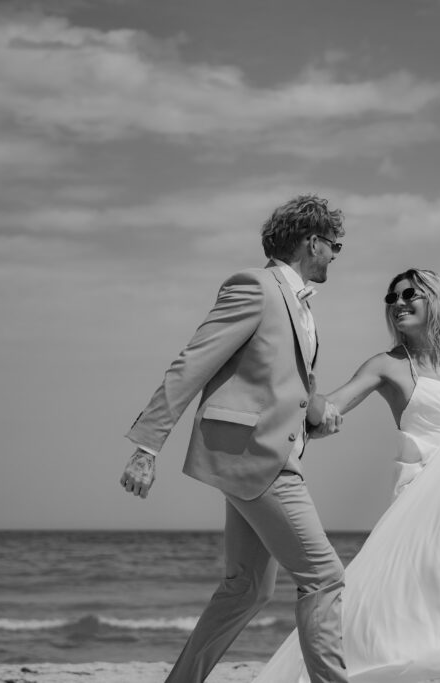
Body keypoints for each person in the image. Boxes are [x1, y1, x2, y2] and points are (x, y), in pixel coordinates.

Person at [253, 268, 440, 683]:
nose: (399, 303)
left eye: (410, 294)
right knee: (411, 607)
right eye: (392, 298)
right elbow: (327, 410)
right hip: (421, 499)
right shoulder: (386, 366)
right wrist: (303, 390)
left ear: (434, 299)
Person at [119, 194, 349, 683]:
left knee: (246, 589)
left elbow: (281, 386)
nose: (336, 255)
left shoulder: (301, 306)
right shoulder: (256, 287)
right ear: (312, 243)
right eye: (334, 245)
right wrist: (147, 445)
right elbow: (193, 362)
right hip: (258, 458)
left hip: (266, 454)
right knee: (324, 577)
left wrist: (316, 414)